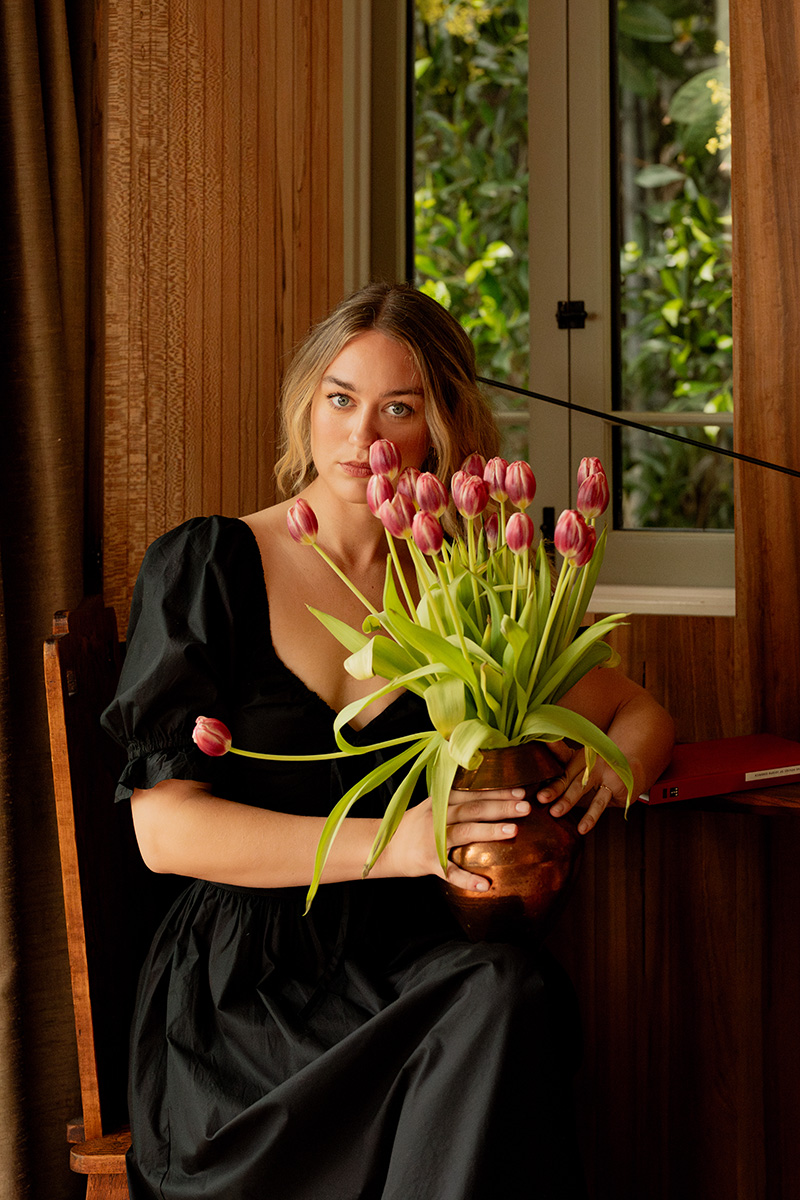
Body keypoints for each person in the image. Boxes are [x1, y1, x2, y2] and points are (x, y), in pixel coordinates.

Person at [102, 281, 675, 1200]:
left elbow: (638, 707)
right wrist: (408, 841)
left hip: (401, 961)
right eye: (340, 398)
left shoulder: (464, 581)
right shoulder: (208, 564)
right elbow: (165, 834)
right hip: (243, 991)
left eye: (397, 407)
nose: (361, 436)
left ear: (439, 427)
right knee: (491, 1015)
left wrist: (618, 763)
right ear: (307, 406)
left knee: (506, 993)